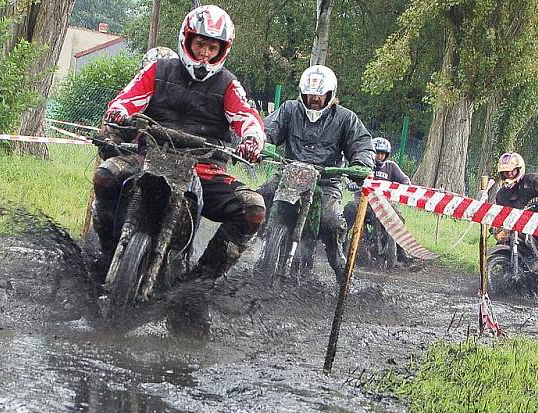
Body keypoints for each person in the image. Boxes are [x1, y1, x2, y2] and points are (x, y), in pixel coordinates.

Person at [92, 5, 267, 330]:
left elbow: (246, 116)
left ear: (222, 51)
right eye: (200, 44)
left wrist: (252, 139)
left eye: (212, 48)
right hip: (147, 156)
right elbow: (129, 97)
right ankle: (105, 250)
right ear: (187, 40)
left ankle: (198, 284)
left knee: (253, 208)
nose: (204, 53)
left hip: (204, 167)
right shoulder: (158, 70)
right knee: (105, 176)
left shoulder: (228, 84)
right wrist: (118, 111)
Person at [257, 65, 375, 284]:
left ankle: (340, 268)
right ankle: (249, 243)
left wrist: (361, 164)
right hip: (288, 174)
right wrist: (257, 140)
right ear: (303, 92)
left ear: (330, 95)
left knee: (331, 223)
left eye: (319, 95)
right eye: (310, 94)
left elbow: (362, 144)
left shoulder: (346, 118)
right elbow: (268, 128)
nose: (314, 99)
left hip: (326, 182)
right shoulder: (289, 109)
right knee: (259, 197)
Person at [343, 137, 411, 264]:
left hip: (386, 204)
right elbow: (350, 176)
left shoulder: (391, 167)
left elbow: (405, 180)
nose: (379, 156)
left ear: (386, 155)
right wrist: (351, 184)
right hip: (364, 203)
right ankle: (340, 242)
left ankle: (401, 251)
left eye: (382, 154)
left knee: (399, 218)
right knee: (349, 209)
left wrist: (400, 189)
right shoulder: (364, 165)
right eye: (377, 153)